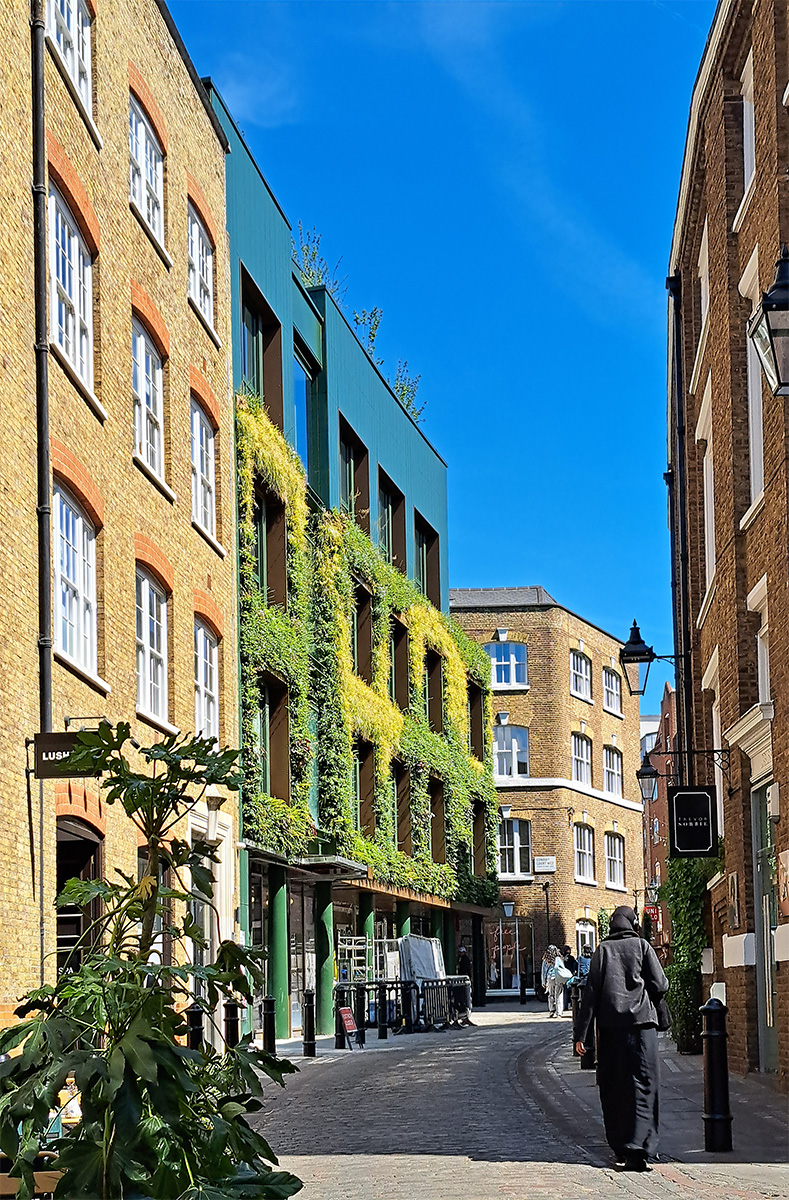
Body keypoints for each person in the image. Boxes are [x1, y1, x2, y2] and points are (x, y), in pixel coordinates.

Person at [574, 906, 669, 1172]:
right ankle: (641, 1147)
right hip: (642, 1029)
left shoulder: (602, 951)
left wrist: (581, 1036)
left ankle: (621, 1146)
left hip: (611, 1031)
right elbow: (660, 984)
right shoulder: (642, 946)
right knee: (645, 1085)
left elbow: (589, 996)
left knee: (614, 1087)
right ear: (632, 923)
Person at [540, 944, 565, 1017]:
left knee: (551, 995)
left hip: (550, 977)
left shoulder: (546, 960)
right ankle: (559, 1012)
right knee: (559, 995)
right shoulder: (559, 958)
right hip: (558, 978)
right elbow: (562, 969)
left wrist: (543, 982)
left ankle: (552, 1010)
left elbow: (544, 972)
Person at [562, 944, 578, 1011]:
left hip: (563, 976)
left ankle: (565, 1006)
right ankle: (572, 1004)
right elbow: (575, 966)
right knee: (572, 991)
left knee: (565, 992)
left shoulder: (562, 958)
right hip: (570, 976)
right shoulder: (571, 958)